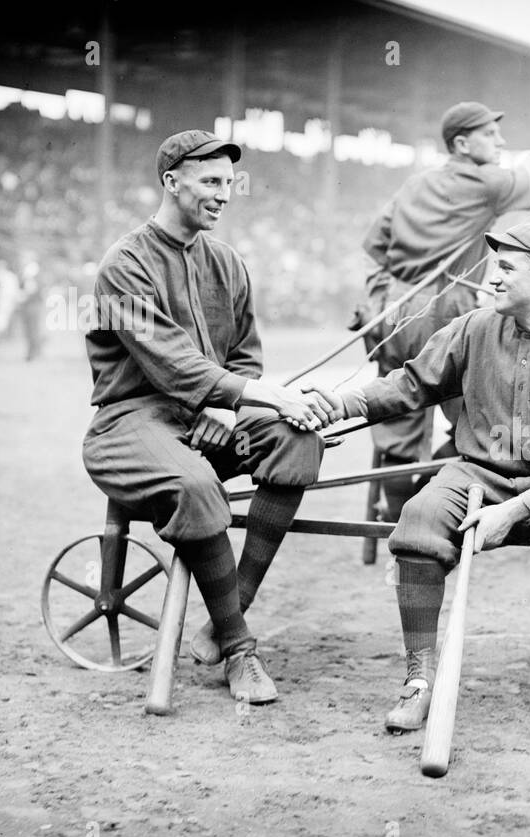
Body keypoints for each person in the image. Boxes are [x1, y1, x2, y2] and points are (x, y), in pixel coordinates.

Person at [325, 223, 530, 739]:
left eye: (507, 267)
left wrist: (515, 511)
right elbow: (410, 384)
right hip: (477, 476)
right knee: (418, 520)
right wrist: (340, 404)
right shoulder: (473, 327)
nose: (493, 278)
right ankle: (418, 682)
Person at [82, 129, 334, 706]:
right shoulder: (124, 264)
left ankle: (226, 613)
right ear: (172, 182)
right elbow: (169, 363)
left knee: (296, 439)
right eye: (212, 182)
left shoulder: (227, 261)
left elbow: (245, 354)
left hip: (206, 416)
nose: (225, 194)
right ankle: (240, 648)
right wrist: (222, 401)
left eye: (230, 184)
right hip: (130, 421)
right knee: (196, 484)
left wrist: (227, 405)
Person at [355, 101, 530, 522]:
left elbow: (374, 246)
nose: (500, 141)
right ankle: (423, 504)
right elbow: (526, 173)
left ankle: (398, 516)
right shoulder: (484, 182)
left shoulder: (414, 184)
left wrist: (378, 296)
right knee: (482, 421)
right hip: (443, 310)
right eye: (490, 134)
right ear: (462, 144)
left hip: (392, 310)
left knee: (398, 424)